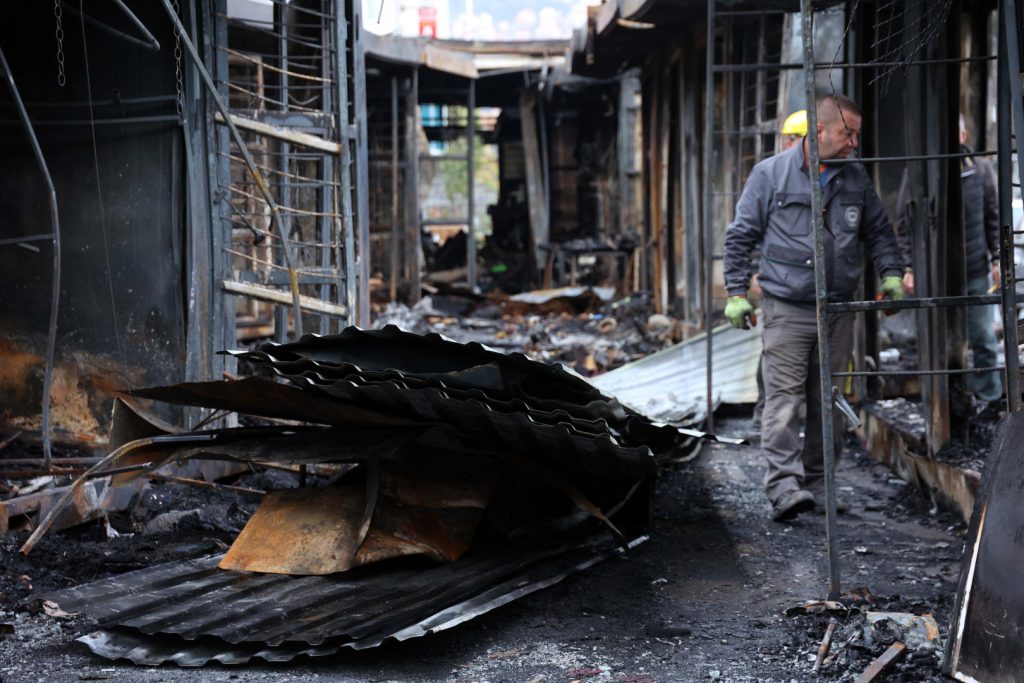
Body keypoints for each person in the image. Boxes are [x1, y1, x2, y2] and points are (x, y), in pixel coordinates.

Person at [722, 94, 907, 522]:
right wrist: (735, 292)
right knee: (783, 400)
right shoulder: (770, 175)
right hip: (787, 308)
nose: (854, 142)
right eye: (848, 133)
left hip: (838, 311)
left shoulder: (855, 177)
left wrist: (892, 273)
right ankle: (784, 487)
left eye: (856, 134)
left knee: (829, 400)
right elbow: (740, 237)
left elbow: (878, 232)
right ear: (819, 132)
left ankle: (818, 483)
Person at [897, 116, 1002, 415]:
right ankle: (942, 403)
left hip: (974, 270)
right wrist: (910, 267)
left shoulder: (980, 169)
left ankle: (989, 399)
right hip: (935, 275)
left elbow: (993, 219)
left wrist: (996, 259)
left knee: (982, 336)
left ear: (963, 134)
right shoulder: (919, 171)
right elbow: (904, 223)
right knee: (937, 339)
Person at [752, 110, 809, 430]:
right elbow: (746, 231)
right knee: (772, 356)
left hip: (809, 287)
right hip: (777, 285)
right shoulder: (771, 175)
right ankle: (765, 413)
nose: (790, 145)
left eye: (793, 139)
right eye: (790, 140)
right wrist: (751, 274)